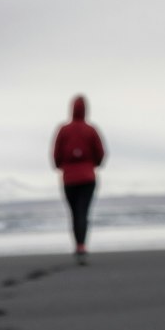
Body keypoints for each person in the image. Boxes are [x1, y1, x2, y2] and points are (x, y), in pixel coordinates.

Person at [51, 94, 106, 260]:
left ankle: (78, 244)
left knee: (75, 212)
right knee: (83, 212)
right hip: (87, 178)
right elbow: (101, 153)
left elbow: (56, 154)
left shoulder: (64, 130)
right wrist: (92, 165)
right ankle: (81, 244)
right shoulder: (90, 130)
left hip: (69, 179)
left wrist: (62, 166)